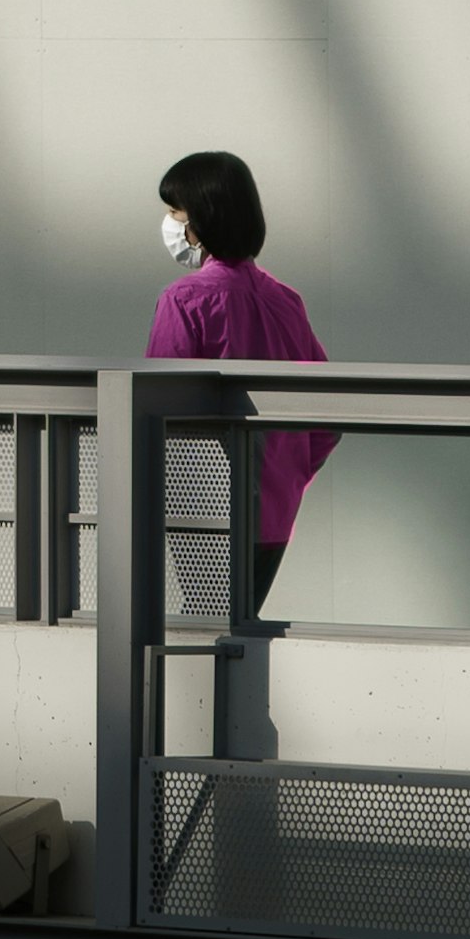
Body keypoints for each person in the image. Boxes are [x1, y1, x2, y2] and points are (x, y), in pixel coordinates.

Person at [146, 148, 338, 608]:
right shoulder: (285, 301)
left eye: (175, 212)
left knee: (201, 641)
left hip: (204, 512)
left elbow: (156, 408)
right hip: (275, 512)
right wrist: (287, 473)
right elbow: (328, 417)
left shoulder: (185, 300)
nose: (170, 224)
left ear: (200, 222)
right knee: (240, 637)